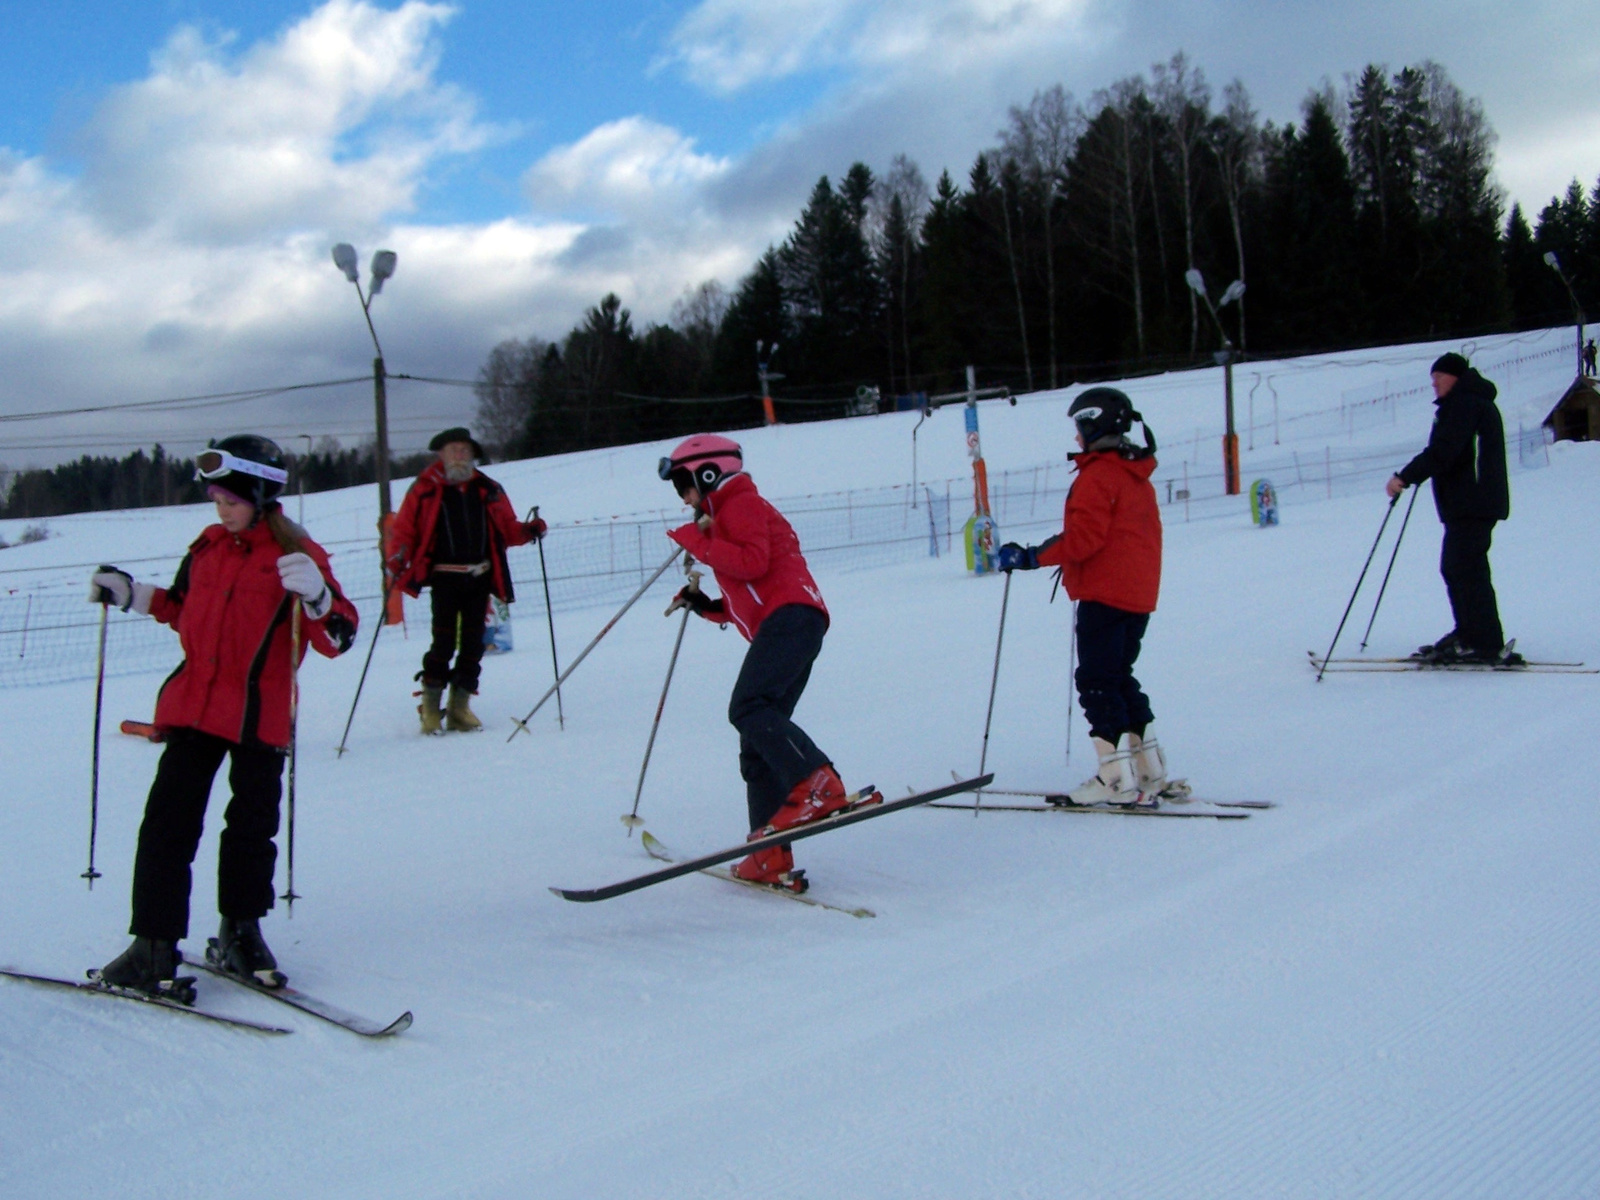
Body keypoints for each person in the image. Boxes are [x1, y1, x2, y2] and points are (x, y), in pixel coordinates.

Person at [90, 435, 359, 998]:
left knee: (251, 830)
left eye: (231, 499)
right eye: (216, 499)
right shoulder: (208, 547)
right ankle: (153, 946)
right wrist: (133, 594)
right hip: (194, 708)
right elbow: (183, 610)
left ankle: (241, 932)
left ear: (261, 495)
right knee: (168, 825)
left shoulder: (296, 554)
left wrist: (319, 600)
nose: (221, 508)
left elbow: (339, 637)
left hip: (259, 713)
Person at [658, 434, 869, 892]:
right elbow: (746, 590)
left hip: (790, 618)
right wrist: (703, 604)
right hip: (791, 620)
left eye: (684, 485)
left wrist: (696, 538)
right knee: (756, 744)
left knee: (748, 708)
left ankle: (817, 783)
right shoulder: (727, 515)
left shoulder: (741, 503)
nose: (685, 498)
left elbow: (752, 563)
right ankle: (766, 852)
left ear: (707, 472)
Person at [997, 388, 1176, 808]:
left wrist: (1030, 557)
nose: (1076, 438)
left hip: (1105, 593)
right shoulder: (1134, 474)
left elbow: (1084, 540)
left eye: (1080, 428)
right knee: (1118, 676)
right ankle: (1148, 769)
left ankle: (1116, 778)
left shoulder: (1099, 476)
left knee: (1097, 680)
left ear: (1095, 426)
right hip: (1136, 594)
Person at [387, 428, 546, 733]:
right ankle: (431, 709)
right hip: (444, 578)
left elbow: (507, 529)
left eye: (464, 450)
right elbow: (404, 530)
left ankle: (460, 707)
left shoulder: (488, 488)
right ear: (441, 455)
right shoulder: (424, 488)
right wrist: (397, 558)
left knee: (473, 644)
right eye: (453, 450)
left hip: (480, 578)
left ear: (473, 455)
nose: (459, 455)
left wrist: (529, 531)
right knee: (443, 643)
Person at [1385, 353, 1518, 666]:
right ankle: (1471, 634)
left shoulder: (1464, 404)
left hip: (1472, 502)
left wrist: (1405, 476)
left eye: (1438, 378)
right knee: (1462, 568)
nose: (1434, 385)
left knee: (1463, 568)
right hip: (1473, 502)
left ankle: (1480, 641)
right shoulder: (1472, 403)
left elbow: (1444, 451)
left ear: (1455, 377)